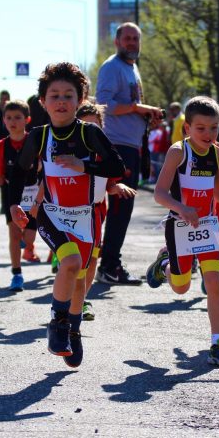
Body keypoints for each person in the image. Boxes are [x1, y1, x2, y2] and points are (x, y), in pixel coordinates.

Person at [8, 62, 125, 368]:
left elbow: (116, 166)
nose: (61, 101)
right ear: (43, 102)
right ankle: (57, 323)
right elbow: (18, 172)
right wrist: (14, 204)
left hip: (84, 216)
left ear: (79, 100)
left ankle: (73, 329)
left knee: (79, 278)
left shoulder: (89, 133)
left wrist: (83, 165)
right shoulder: (39, 136)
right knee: (70, 263)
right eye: (54, 95)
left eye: (68, 95)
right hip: (52, 214)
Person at [145, 96, 219, 367]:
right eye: (201, 128)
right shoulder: (178, 152)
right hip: (179, 226)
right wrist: (181, 208)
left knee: (214, 281)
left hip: (208, 226)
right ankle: (165, 265)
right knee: (181, 287)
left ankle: (218, 343)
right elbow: (160, 193)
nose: (209, 134)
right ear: (187, 128)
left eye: (214, 127)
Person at [95, 22, 164, 285]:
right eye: (127, 38)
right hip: (117, 146)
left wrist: (147, 117)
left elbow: (128, 106)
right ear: (117, 41)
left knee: (121, 210)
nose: (132, 43)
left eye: (136, 38)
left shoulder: (131, 68)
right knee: (119, 209)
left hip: (131, 145)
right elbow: (104, 104)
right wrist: (138, 108)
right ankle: (108, 266)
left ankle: (108, 264)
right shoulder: (111, 67)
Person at [75, 101, 136, 321]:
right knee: (73, 261)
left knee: (92, 260)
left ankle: (82, 300)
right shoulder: (68, 154)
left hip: (95, 214)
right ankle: (67, 303)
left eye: (95, 126)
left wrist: (115, 187)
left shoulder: (106, 155)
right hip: (69, 215)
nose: (90, 131)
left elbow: (108, 183)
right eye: (85, 126)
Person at [0, 100, 40, 292]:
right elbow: (0, 169)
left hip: (33, 192)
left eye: (18, 117)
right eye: (9, 118)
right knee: (14, 234)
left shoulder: (34, 141)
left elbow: (42, 166)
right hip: (11, 192)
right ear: (4, 120)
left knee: (29, 237)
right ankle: (17, 274)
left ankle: (29, 247)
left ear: (27, 120)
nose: (13, 121)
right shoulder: (1, 145)